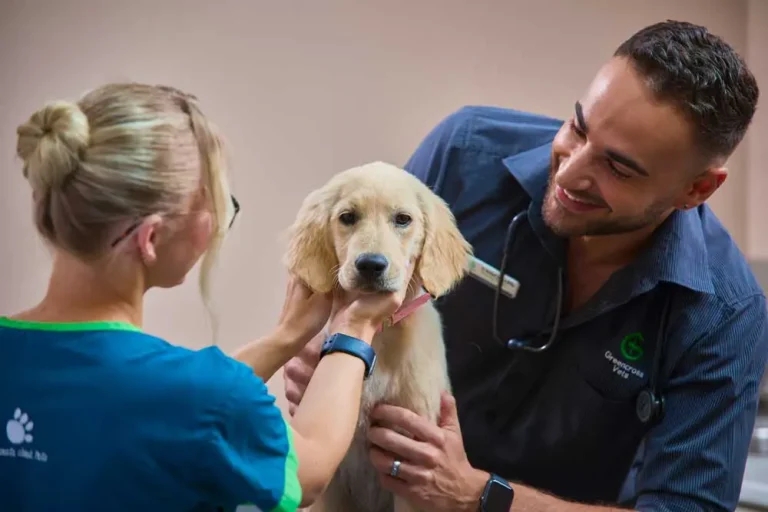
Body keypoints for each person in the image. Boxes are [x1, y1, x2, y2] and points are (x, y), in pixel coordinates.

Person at [284, 19, 768, 512]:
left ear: (697, 189)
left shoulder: (727, 315)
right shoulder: (463, 154)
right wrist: (327, 357)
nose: (570, 173)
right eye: (578, 127)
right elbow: (357, 282)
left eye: (618, 167)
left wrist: (478, 496)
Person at [0, 83, 406, 512]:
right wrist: (355, 327)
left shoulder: (192, 396)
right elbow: (311, 469)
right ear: (150, 238)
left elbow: (168, 407)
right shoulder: (202, 397)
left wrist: (286, 338)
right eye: (217, 204)